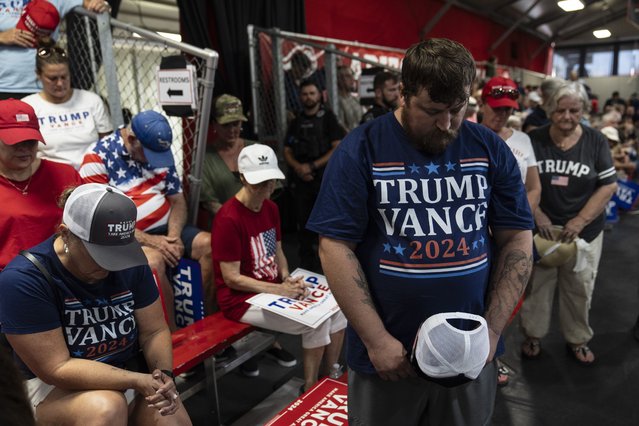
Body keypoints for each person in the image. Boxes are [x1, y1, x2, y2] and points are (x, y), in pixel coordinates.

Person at [307, 38, 534, 425]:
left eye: (457, 109)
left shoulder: (490, 149)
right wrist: (377, 340)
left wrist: (493, 332)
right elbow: (334, 247)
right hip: (388, 357)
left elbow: (517, 239)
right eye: (432, 111)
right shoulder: (362, 149)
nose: (447, 124)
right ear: (404, 94)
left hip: (471, 349)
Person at [0, 183, 191, 425]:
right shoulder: (23, 279)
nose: (110, 265)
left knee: (171, 417)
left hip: (125, 369)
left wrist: (163, 376)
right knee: (106, 408)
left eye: (118, 253)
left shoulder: (131, 261)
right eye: (98, 253)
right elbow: (56, 368)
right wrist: (135, 380)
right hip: (50, 387)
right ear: (65, 234)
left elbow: (154, 330)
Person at [212, 143, 346, 393]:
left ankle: (332, 374)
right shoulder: (228, 218)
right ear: (242, 178)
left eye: (270, 181)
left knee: (338, 308)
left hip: (271, 286)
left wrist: (286, 277)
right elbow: (231, 279)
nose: (266, 188)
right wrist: (278, 289)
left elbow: (277, 250)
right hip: (241, 299)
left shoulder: (271, 208)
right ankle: (310, 387)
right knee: (315, 321)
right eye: (259, 182)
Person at [79, 110, 212, 331]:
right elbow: (101, 219)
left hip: (167, 229)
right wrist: (152, 242)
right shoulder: (97, 156)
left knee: (207, 244)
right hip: (122, 235)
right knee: (154, 262)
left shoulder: (158, 149)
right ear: (131, 139)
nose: (153, 161)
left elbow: (177, 200)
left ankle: (207, 325)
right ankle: (171, 342)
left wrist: (173, 237)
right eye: (148, 153)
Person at [519, 82, 617, 365]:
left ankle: (578, 339)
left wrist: (580, 219)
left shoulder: (596, 140)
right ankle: (532, 335)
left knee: (580, 287)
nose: (567, 117)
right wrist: (537, 214)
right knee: (537, 286)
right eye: (560, 110)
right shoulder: (534, 139)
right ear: (550, 110)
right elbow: (521, 182)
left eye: (574, 111)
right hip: (543, 230)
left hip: (585, 232)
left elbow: (608, 186)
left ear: (584, 110)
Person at [480, 76, 542, 386]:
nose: (501, 115)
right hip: (477, 233)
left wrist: (517, 221)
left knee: (509, 294)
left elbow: (534, 188)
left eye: (507, 110)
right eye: (496, 108)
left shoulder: (522, 141)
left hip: (510, 232)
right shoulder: (467, 134)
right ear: (482, 104)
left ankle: (495, 354)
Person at [0, 98, 80, 270]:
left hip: (65, 271)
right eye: (14, 142)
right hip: (8, 276)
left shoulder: (64, 174)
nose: (25, 148)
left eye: (31, 141)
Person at [283, 80, 345, 271]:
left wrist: (312, 166)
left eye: (312, 93)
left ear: (320, 95)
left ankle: (331, 265)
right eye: (305, 94)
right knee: (303, 224)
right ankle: (307, 266)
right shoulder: (297, 120)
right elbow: (287, 149)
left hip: (324, 180)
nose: (308, 97)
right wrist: (299, 168)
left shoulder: (328, 118)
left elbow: (337, 146)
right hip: (301, 182)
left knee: (327, 225)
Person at [22, 42, 112, 170]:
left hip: (92, 172)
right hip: (49, 174)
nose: (60, 83)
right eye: (53, 78)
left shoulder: (92, 100)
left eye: (64, 77)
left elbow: (107, 144)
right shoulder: (28, 106)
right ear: (38, 74)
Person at [0, 0, 110, 100]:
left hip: (43, 86)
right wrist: (2, 37)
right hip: (3, 84)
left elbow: (93, 3)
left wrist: (102, 5)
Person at [200, 94, 255, 220]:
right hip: (224, 225)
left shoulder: (255, 149)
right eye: (225, 125)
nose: (231, 130)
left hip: (256, 222)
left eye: (236, 124)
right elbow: (210, 203)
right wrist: (236, 222)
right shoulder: (205, 158)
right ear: (214, 124)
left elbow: (269, 191)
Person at [336, 65, 362, 131]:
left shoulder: (356, 99)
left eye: (352, 75)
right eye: (348, 76)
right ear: (339, 79)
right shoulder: (337, 101)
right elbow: (341, 126)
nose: (352, 79)